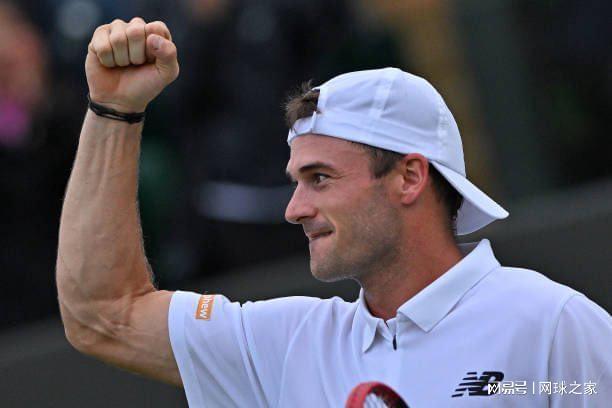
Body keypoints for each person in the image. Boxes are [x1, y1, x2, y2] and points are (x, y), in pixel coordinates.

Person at [56, 18, 611, 407]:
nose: (295, 209)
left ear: (410, 178)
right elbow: (103, 313)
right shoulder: (284, 344)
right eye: (296, 181)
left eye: (319, 178)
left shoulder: (553, 323)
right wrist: (114, 109)